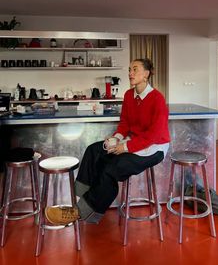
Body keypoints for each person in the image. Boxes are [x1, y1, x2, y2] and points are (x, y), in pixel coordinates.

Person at [45, 58, 170, 225]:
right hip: (132, 141)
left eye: (135, 69)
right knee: (94, 151)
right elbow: (125, 123)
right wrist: (115, 139)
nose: (130, 73)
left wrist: (125, 147)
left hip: (154, 148)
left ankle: (79, 212)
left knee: (111, 169)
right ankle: (80, 200)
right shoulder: (128, 95)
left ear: (146, 74)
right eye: (129, 69)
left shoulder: (157, 99)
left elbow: (153, 136)